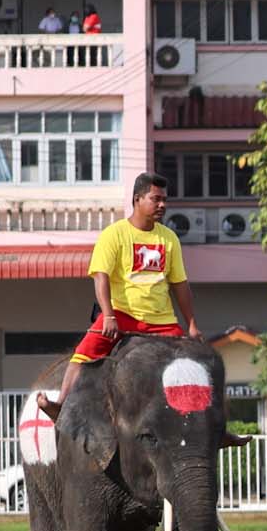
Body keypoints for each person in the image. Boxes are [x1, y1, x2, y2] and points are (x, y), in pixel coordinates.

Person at [42, 173, 199, 416]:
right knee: (83, 353)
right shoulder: (113, 234)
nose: (162, 205)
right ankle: (61, 404)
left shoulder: (169, 239)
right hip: (121, 314)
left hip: (162, 321)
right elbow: (100, 276)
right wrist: (108, 316)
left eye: (164, 200)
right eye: (155, 199)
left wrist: (191, 325)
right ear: (137, 199)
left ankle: (210, 425)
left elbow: (180, 284)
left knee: (193, 362)